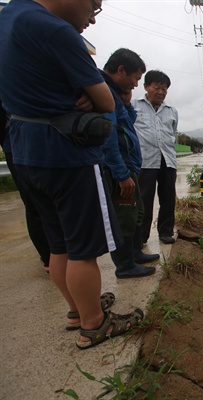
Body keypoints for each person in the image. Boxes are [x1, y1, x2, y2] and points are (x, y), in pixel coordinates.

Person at [0, 0, 143, 349]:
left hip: (26, 153)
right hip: (66, 154)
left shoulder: (8, 18)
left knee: (59, 243)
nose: (92, 18)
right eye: (93, 5)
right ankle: (95, 324)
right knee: (83, 248)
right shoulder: (56, 31)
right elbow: (107, 102)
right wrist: (86, 95)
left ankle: (77, 310)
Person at [100, 48, 159, 278]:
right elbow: (108, 137)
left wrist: (126, 105)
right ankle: (124, 265)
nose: (135, 85)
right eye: (135, 78)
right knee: (124, 216)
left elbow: (127, 124)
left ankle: (135, 253)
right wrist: (120, 173)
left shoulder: (116, 96)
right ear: (121, 70)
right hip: (121, 167)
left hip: (130, 166)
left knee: (136, 212)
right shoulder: (103, 92)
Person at [1, 103, 51, 272]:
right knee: (33, 203)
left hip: (44, 141)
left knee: (53, 201)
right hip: (16, 146)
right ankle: (48, 257)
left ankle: (61, 252)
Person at [132, 70, 179, 245]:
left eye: (165, 88)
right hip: (145, 161)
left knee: (168, 198)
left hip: (167, 160)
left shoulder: (171, 111)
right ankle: (141, 236)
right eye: (157, 87)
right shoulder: (134, 105)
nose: (161, 91)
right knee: (144, 199)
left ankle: (166, 232)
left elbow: (173, 135)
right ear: (146, 86)